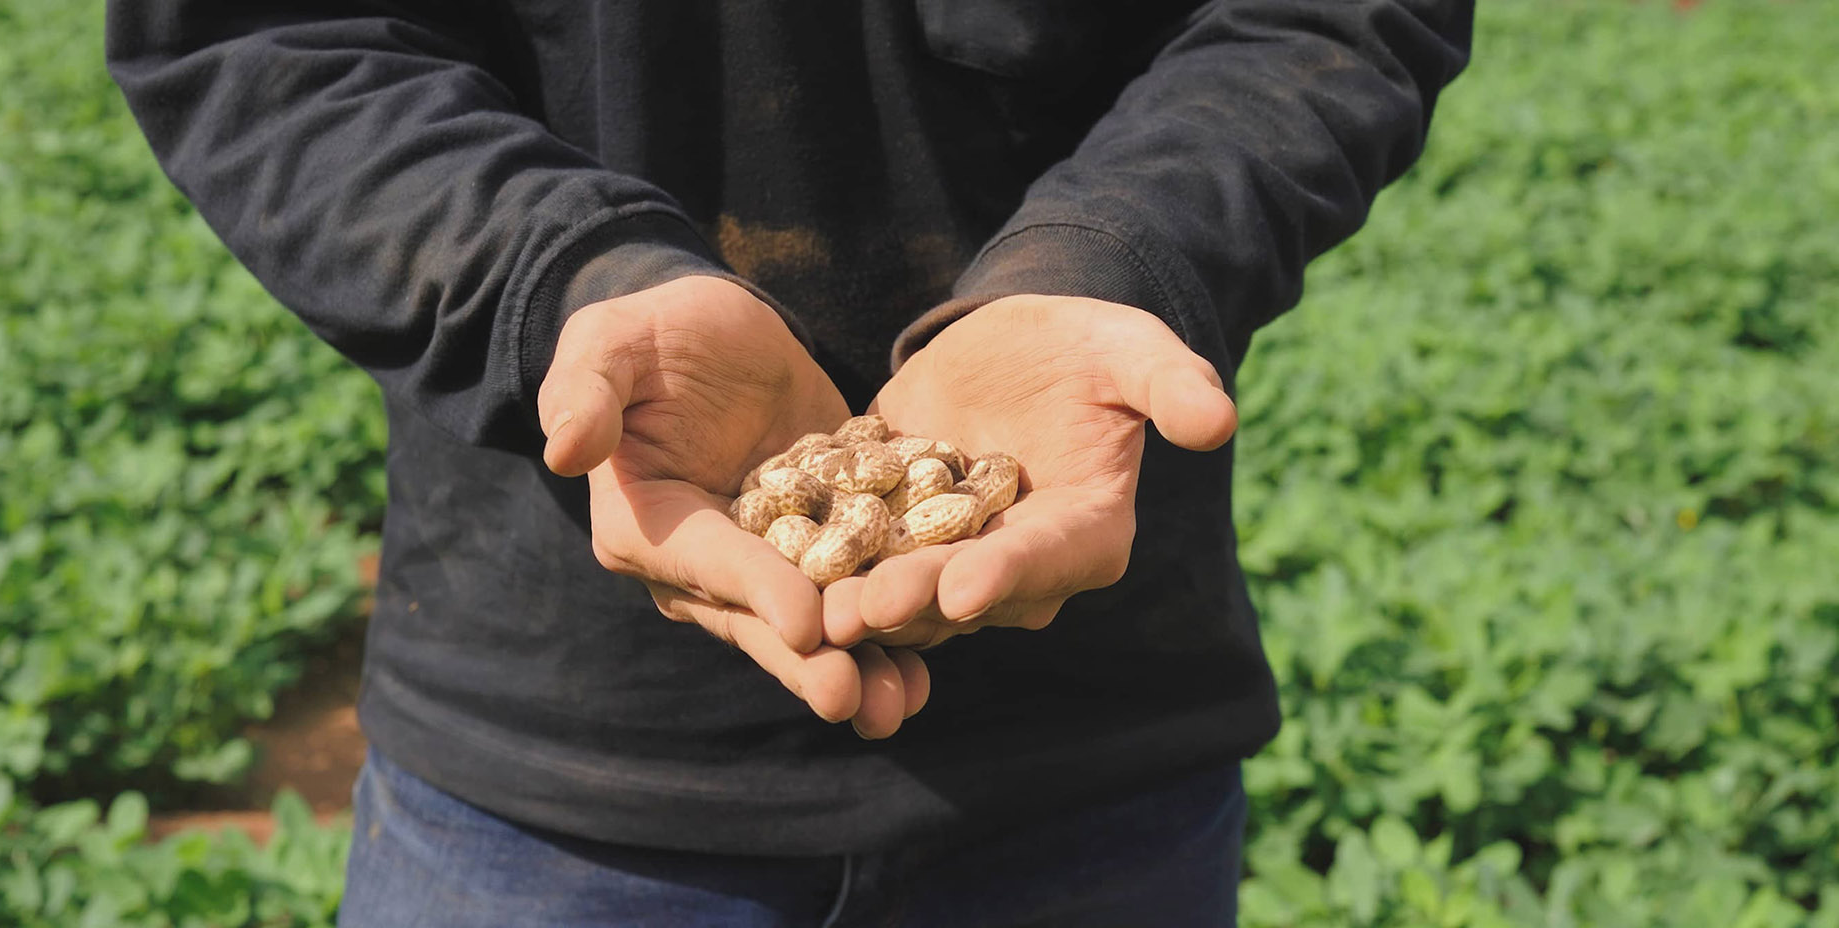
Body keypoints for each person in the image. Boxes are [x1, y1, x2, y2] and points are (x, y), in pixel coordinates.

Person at [109, 1, 1470, 924]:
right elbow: (267, 30)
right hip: (550, 790)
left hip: (1099, 763)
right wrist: (557, 274)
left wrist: (1114, 254)